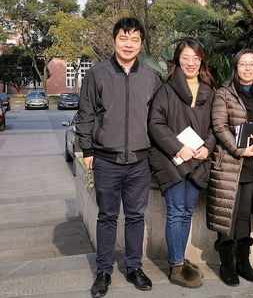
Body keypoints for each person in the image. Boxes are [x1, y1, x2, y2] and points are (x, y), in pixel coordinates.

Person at [75, 17, 162, 298]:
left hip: (139, 161)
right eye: (123, 38)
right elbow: (85, 114)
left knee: (136, 217)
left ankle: (134, 267)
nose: (128, 44)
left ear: (141, 44)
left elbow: (157, 119)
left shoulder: (150, 77)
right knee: (107, 217)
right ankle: (104, 271)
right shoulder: (97, 74)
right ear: (114, 40)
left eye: (134, 39)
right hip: (106, 160)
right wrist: (87, 150)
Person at [148, 39, 217, 288]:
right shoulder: (165, 91)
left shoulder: (209, 91)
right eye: (185, 57)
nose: (191, 63)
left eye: (196, 58)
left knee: (186, 212)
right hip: (173, 160)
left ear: (201, 62)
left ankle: (180, 259)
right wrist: (179, 148)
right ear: (177, 60)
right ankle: (176, 266)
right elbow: (155, 124)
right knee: (176, 212)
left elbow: (215, 125)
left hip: (198, 160)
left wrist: (207, 146)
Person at [207, 49, 253, 286]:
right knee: (228, 216)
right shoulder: (223, 94)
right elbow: (219, 126)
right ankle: (227, 265)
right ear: (236, 67)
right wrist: (239, 150)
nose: (248, 68)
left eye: (252, 64)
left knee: (244, 215)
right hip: (229, 164)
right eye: (243, 64)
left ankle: (243, 262)